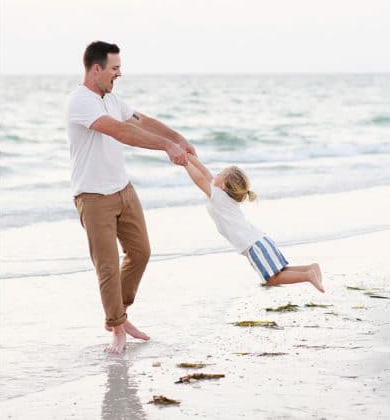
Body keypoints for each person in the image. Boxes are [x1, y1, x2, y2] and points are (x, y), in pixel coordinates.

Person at [66, 41, 196, 354]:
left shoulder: (112, 98)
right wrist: (165, 147)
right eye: (114, 68)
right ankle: (117, 329)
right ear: (96, 69)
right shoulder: (80, 102)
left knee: (141, 253)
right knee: (108, 266)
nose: (119, 74)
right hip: (94, 196)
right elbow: (119, 132)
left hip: (123, 190)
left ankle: (117, 317)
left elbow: (140, 122)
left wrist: (177, 138)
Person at [182, 153, 324, 292]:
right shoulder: (223, 196)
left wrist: (184, 162)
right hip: (260, 241)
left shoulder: (218, 196)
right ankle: (309, 268)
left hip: (254, 246)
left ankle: (307, 275)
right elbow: (205, 173)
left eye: (220, 174)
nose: (215, 175)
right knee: (280, 272)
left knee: (272, 279)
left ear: (224, 185)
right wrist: (186, 154)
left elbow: (201, 179)